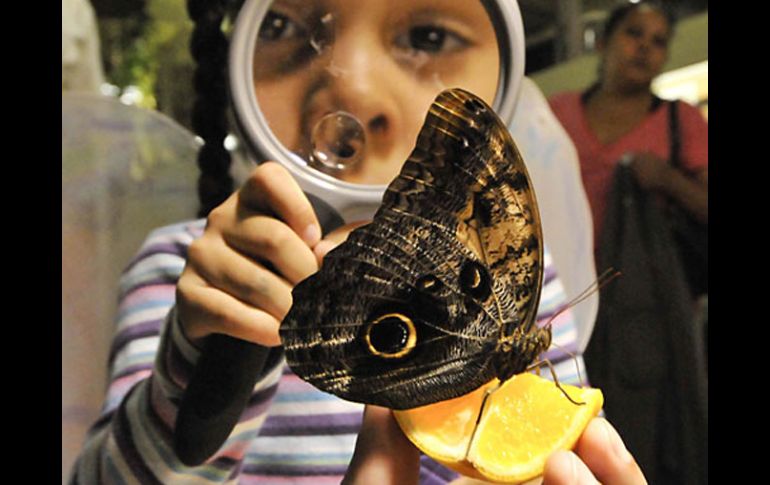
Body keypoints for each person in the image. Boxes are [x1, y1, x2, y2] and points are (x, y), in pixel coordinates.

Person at [69, 0, 646, 483]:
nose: (355, 90)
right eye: (284, 27)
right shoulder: (185, 269)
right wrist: (205, 353)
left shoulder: (528, 285)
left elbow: (543, 444)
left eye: (428, 35)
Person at [548, 2, 708, 483]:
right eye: (634, 33)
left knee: (646, 432)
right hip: (562, 307)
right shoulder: (559, 114)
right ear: (605, 40)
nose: (644, 47)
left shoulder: (679, 121)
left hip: (647, 313)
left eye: (658, 40)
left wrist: (666, 180)